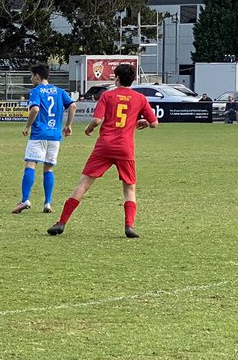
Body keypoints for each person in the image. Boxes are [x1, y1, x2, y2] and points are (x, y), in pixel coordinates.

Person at [47, 62, 156, 238]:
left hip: (104, 146)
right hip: (125, 148)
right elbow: (154, 123)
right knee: (129, 188)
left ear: (117, 78)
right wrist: (144, 121)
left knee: (84, 183)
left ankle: (61, 223)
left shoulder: (107, 96)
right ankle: (129, 226)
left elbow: (97, 120)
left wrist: (89, 129)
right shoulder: (140, 98)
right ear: (133, 79)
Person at [12, 64, 74, 214]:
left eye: (32, 76)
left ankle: (25, 199)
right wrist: (68, 125)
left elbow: (35, 109)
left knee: (30, 164)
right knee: (48, 168)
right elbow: (73, 106)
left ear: (38, 76)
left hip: (39, 134)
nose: (31, 78)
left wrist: (27, 126)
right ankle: (47, 203)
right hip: (55, 136)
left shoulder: (36, 91)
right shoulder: (59, 91)